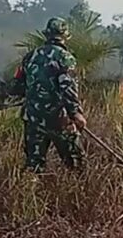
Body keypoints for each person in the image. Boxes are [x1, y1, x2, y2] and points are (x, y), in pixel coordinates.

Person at [12, 17, 87, 171]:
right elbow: (68, 88)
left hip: (33, 118)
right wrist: (76, 113)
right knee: (76, 163)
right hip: (59, 118)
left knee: (34, 164)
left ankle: (30, 186)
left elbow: (18, 86)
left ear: (47, 35)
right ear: (65, 36)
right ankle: (78, 186)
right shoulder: (65, 58)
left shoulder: (30, 56)